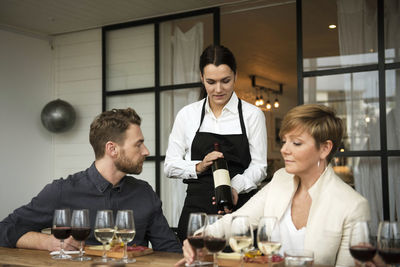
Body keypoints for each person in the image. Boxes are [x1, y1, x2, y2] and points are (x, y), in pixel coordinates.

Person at [178, 104, 371, 267]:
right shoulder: (281, 179)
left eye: (296, 143)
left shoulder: (352, 206)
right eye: (284, 141)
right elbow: (237, 220)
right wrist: (202, 237)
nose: (284, 150)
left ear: (325, 148)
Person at [0, 108, 182, 253]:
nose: (146, 151)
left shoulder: (144, 193)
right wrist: (48, 242)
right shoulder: (62, 190)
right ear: (112, 149)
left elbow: (169, 249)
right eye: (138, 144)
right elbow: (5, 229)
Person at [164, 44, 267, 242]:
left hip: (240, 208)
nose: (218, 89)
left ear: (235, 76)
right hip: (197, 212)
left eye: (225, 81)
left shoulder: (252, 115)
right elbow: (170, 165)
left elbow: (259, 166)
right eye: (211, 82)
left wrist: (234, 187)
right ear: (202, 78)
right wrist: (199, 166)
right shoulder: (188, 114)